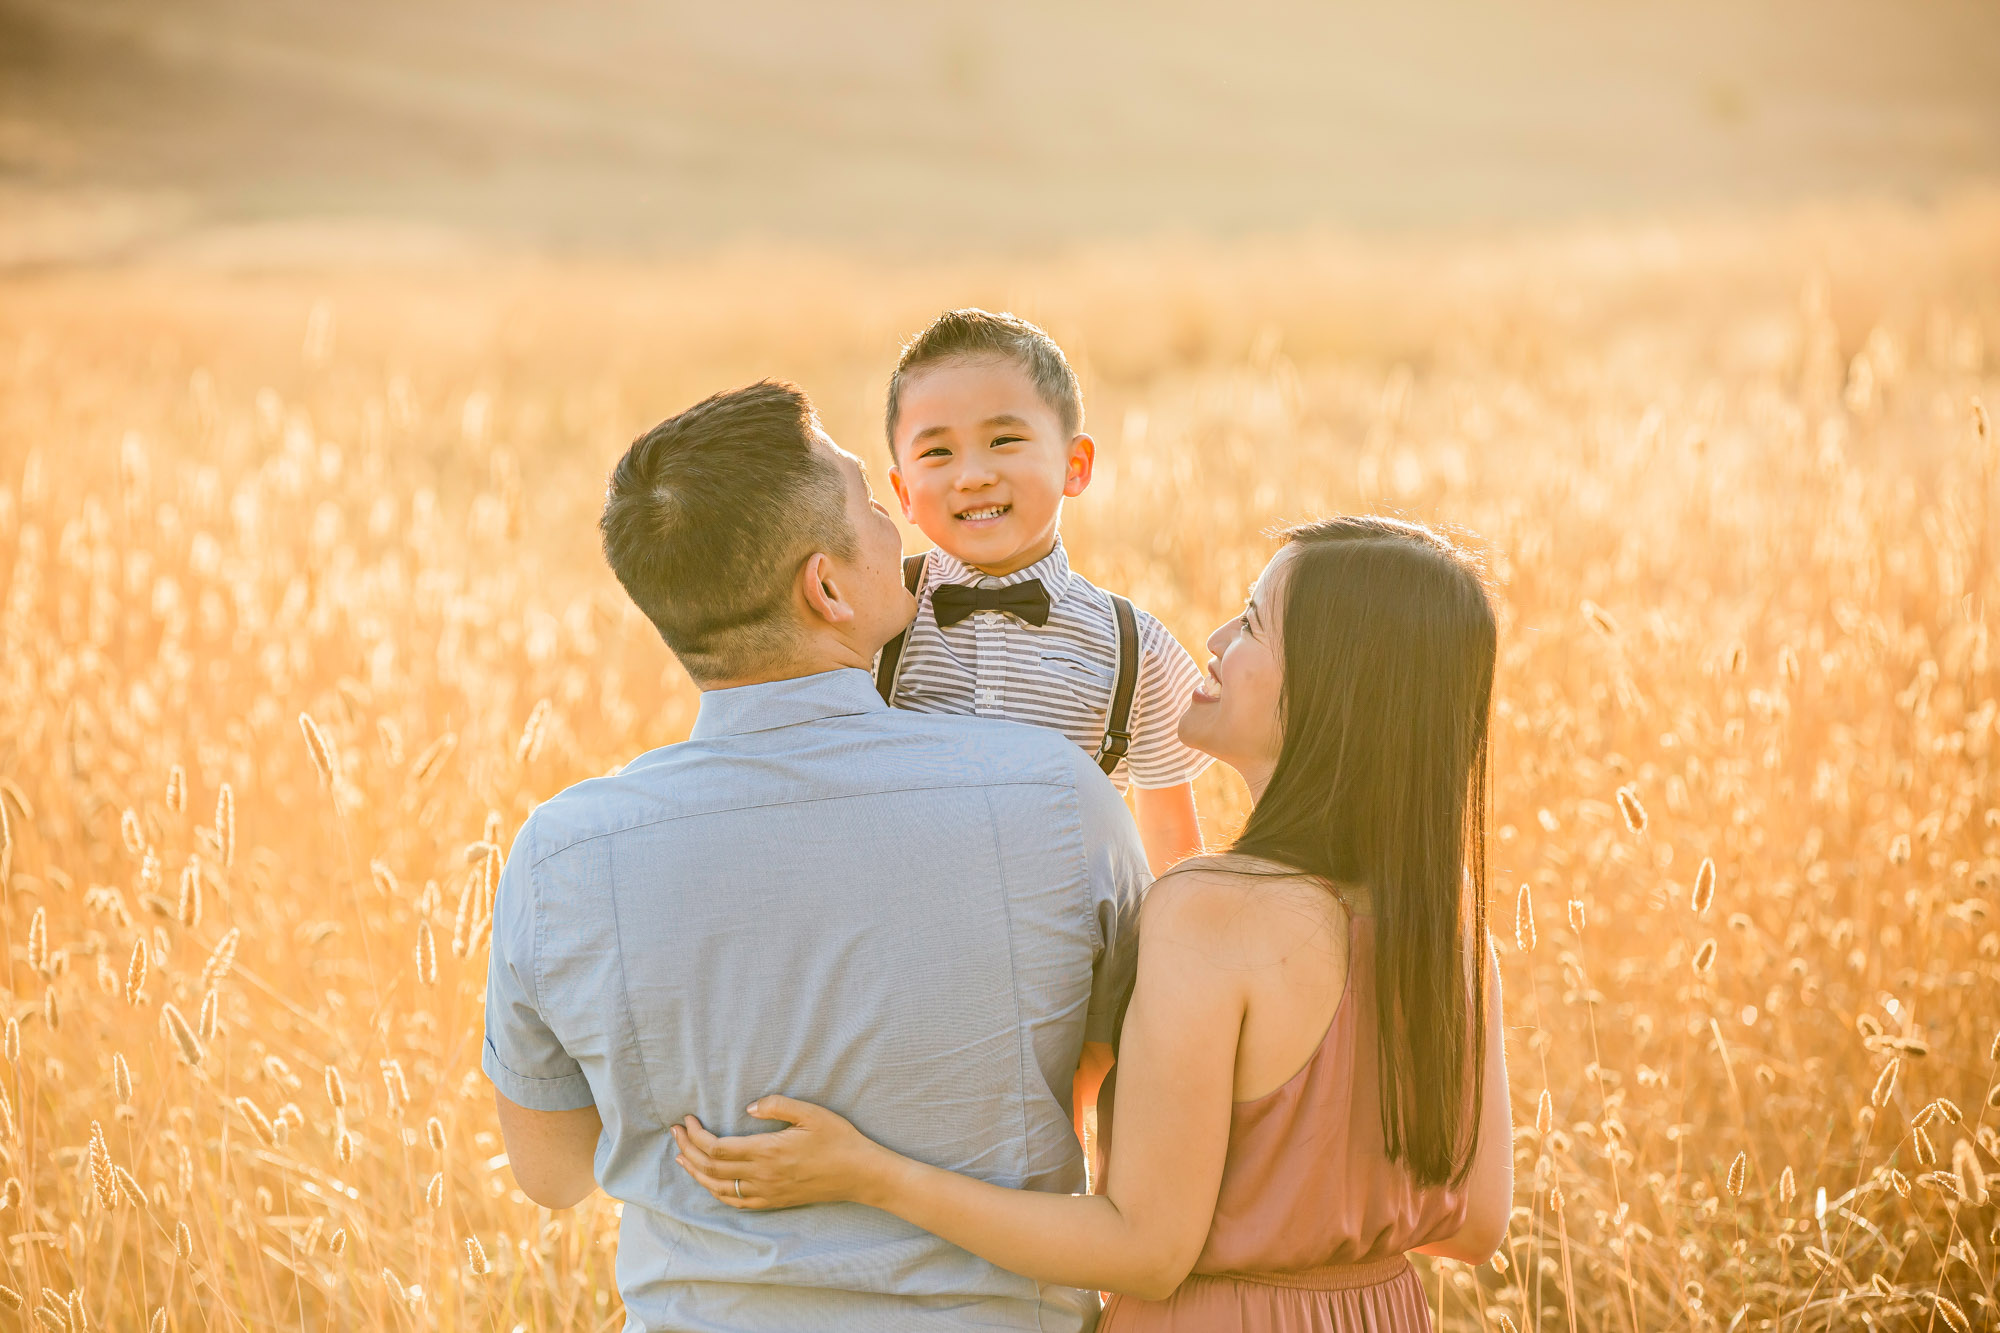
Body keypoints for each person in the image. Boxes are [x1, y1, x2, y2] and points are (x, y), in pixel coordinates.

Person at [674, 516, 1515, 1332]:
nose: (1218, 637)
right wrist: (1312, 1216)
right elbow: (1473, 1227)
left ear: (1337, 686)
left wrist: (871, 1174)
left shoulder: (1211, 910)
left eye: (1255, 621)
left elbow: (1145, 1250)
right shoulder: (1449, 928)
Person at [482, 380, 1150, 1332]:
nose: (902, 532)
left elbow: (551, 1174)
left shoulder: (562, 855)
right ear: (825, 586)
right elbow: (1130, 1084)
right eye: (874, 508)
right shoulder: (1055, 794)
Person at [875, 309, 1211, 874]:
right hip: (902, 946)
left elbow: (1173, 853)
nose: (972, 475)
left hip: (1069, 950)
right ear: (903, 491)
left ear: (1074, 465)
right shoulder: (872, 619)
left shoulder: (1137, 651)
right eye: (937, 452)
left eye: (1004, 439)